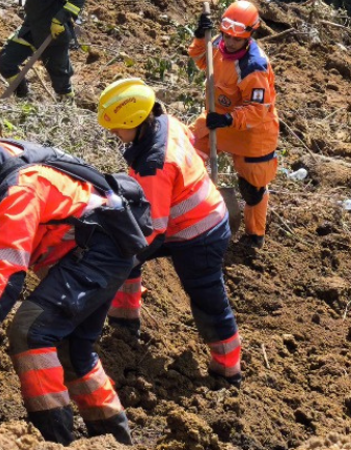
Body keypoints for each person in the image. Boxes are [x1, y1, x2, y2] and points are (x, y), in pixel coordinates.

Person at [0, 89, 135, 445]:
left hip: (98, 252)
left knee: (30, 332)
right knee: (73, 350)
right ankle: (114, 439)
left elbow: (8, 271)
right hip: (84, 254)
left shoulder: (19, 188)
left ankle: (53, 440)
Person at [96, 78, 244, 386]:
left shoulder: (154, 165)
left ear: (137, 122)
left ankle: (228, 368)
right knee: (125, 252)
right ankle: (124, 321)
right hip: (187, 215)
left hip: (200, 233)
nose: (114, 134)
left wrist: (124, 253)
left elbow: (154, 230)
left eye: (118, 127)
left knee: (206, 295)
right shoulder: (165, 120)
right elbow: (190, 141)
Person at [188, 0, 280, 248]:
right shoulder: (216, 44)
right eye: (226, 35)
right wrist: (199, 36)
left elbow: (257, 111)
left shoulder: (254, 67)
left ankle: (254, 236)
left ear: (250, 35)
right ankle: (185, 213)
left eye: (235, 39)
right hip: (217, 120)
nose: (228, 42)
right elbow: (200, 59)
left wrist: (228, 118)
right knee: (187, 153)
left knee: (253, 188)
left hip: (253, 132)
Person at [0, 0, 86, 98]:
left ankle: (68, 107)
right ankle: (24, 98)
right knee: (5, 62)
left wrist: (59, 19)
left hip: (54, 35)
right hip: (31, 29)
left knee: (61, 83)